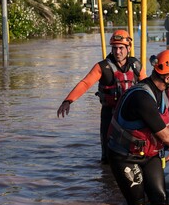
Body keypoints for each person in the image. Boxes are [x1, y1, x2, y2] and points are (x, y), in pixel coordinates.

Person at [106, 49, 169, 205]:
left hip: (150, 155)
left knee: (160, 201)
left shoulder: (161, 93)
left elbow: (168, 126)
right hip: (125, 156)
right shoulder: (142, 98)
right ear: (168, 77)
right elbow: (164, 135)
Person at [57, 30, 146, 163]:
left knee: (134, 151)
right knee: (107, 155)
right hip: (109, 114)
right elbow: (85, 83)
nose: (117, 52)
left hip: (130, 115)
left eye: (121, 48)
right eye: (114, 48)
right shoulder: (102, 67)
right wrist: (68, 101)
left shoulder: (136, 65)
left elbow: (145, 88)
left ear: (129, 48)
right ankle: (106, 179)